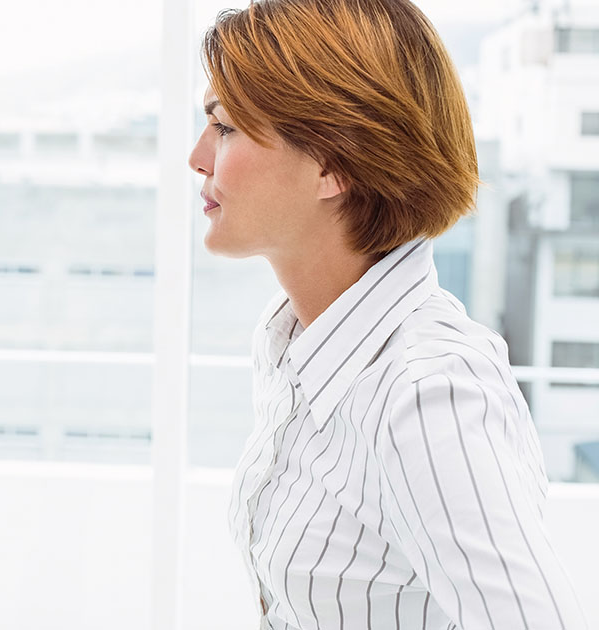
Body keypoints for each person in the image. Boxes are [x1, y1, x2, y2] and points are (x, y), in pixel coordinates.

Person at [189, 0, 587, 628]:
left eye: (226, 127)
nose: (198, 156)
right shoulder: (298, 343)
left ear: (332, 162)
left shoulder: (428, 392)